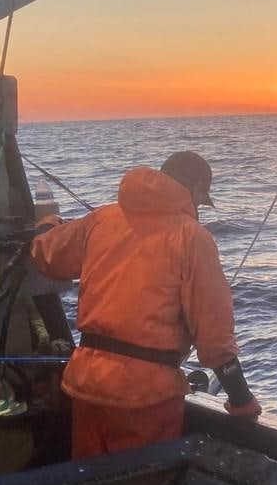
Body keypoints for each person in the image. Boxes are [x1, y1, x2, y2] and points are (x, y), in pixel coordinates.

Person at [31, 150, 262, 459]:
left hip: (86, 383)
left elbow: (48, 255)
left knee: (90, 484)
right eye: (200, 201)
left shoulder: (102, 218)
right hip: (145, 398)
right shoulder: (193, 236)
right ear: (195, 190)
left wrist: (46, 224)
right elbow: (214, 335)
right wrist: (241, 399)